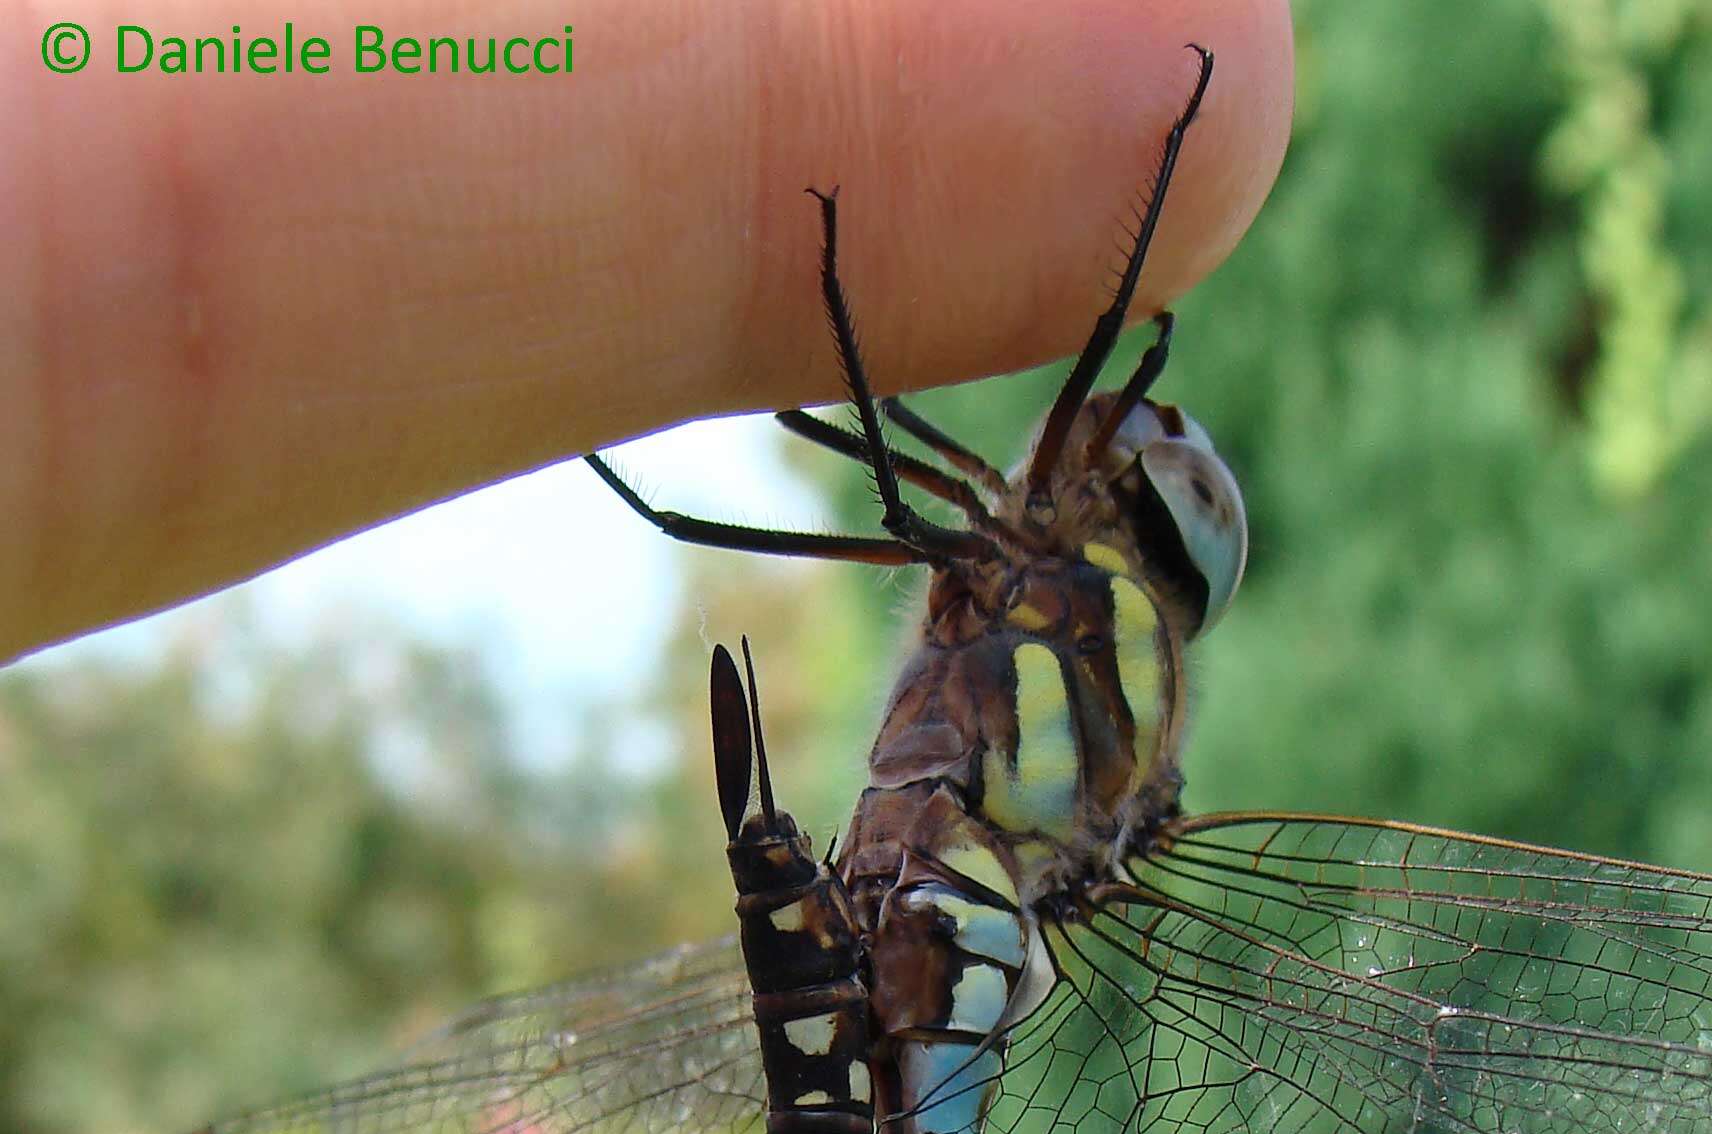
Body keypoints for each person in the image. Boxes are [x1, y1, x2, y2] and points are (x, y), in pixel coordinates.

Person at [3, 0, 1291, 662]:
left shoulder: (1032, 571)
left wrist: (837, 314)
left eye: (1127, 488)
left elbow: (910, 504)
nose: (1098, 453)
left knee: (888, 504)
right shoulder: (1036, 564)